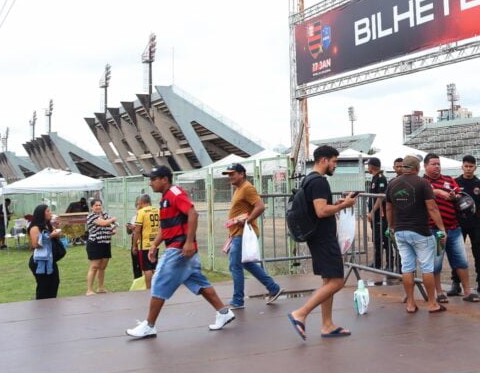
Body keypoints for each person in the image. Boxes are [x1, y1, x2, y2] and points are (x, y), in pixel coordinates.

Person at [126, 165, 234, 338]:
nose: (150, 183)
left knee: (159, 281)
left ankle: (149, 325)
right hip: (181, 249)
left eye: (153, 179)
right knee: (199, 282)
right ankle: (223, 312)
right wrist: (154, 244)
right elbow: (167, 227)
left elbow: (193, 214)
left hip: (179, 249)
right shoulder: (165, 199)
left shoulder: (175, 193)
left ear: (165, 180)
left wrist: (189, 242)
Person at [287, 145, 357, 341]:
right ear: (324, 160)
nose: (336, 165)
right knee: (337, 282)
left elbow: (319, 208)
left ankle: (327, 325)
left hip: (316, 237)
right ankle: (300, 313)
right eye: (334, 161)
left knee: (328, 280)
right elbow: (320, 211)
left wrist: (335, 205)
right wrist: (345, 204)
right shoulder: (319, 182)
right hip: (323, 238)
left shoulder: (308, 179)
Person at [385, 155, 447, 313]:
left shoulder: (392, 184)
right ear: (417, 167)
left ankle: (410, 304)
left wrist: (391, 226)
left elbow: (389, 208)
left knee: (407, 267)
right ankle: (432, 303)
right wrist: (441, 228)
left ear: (404, 167)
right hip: (420, 230)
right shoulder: (422, 183)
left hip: (400, 230)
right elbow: (432, 207)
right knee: (427, 267)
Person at [223, 162, 283, 309]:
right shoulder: (239, 189)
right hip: (237, 234)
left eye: (232, 174)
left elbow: (260, 206)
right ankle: (273, 287)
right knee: (246, 263)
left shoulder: (247, 188)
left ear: (241, 174)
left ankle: (238, 300)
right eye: (228, 175)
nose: (229, 177)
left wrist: (247, 221)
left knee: (235, 266)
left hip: (242, 234)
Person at [422, 153, 477, 303]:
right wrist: (437, 192)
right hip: (435, 231)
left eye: (438, 164)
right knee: (436, 263)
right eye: (433, 164)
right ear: (425, 166)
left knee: (461, 261)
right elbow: (419, 193)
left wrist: (455, 196)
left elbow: (460, 195)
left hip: (454, 228)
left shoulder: (448, 179)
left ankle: (467, 291)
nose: (437, 167)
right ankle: (439, 292)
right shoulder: (422, 182)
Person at [449, 155, 480, 296]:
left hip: (475, 224)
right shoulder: (455, 183)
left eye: (471, 166)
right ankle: (455, 284)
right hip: (458, 224)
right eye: (466, 166)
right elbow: (450, 204)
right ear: (462, 167)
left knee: (478, 253)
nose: (468, 169)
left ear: (475, 167)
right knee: (456, 254)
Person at [27, 204, 63, 299]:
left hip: (50, 259)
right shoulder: (35, 228)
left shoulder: (47, 224)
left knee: (54, 282)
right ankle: (41, 308)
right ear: (41, 213)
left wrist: (56, 226)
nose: (50, 213)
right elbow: (35, 244)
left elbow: (57, 236)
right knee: (44, 285)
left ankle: (51, 306)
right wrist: (50, 236)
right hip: (39, 261)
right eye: (48, 211)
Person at [86, 199, 116, 295]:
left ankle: (100, 288)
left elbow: (113, 226)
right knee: (94, 266)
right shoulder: (91, 216)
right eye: (96, 205)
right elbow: (104, 223)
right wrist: (111, 220)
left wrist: (113, 229)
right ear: (92, 207)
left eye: (99, 205)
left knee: (102, 267)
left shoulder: (105, 215)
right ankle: (89, 290)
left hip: (106, 243)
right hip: (95, 243)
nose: (98, 207)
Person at [365, 157, 389, 269]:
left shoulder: (381, 178)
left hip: (381, 216)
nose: (367, 167)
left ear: (372, 166)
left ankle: (388, 264)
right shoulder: (374, 178)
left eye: (368, 165)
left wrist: (372, 212)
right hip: (375, 216)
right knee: (376, 240)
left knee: (383, 240)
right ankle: (377, 263)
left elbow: (380, 198)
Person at [133, 194, 161, 289]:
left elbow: (137, 231)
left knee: (147, 268)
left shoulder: (141, 212)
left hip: (144, 244)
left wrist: (134, 245)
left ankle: (149, 289)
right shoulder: (157, 210)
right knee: (154, 266)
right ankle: (156, 286)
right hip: (155, 243)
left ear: (141, 202)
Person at [126, 199, 143, 280]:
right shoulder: (134, 217)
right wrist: (129, 227)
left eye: (140, 208)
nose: (138, 210)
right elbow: (129, 232)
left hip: (143, 239)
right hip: (135, 240)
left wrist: (136, 228)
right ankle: (137, 280)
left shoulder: (145, 216)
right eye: (137, 208)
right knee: (135, 262)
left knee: (145, 263)